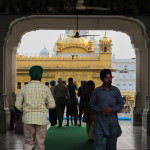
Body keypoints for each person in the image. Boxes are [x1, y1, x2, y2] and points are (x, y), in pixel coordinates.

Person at [15, 65, 55, 150]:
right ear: (41, 75)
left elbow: (17, 105)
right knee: (40, 144)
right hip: (41, 119)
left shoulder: (24, 88)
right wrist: (44, 106)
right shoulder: (45, 88)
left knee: (28, 143)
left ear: (30, 76)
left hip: (28, 118)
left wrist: (26, 110)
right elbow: (52, 105)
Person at [89, 69, 124, 150]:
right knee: (98, 144)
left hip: (112, 121)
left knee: (111, 145)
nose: (109, 79)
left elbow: (121, 103)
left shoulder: (115, 90)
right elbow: (91, 104)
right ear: (102, 79)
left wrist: (112, 109)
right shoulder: (97, 91)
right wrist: (100, 110)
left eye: (110, 77)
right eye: (107, 78)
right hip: (100, 121)